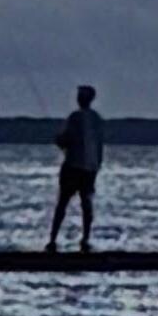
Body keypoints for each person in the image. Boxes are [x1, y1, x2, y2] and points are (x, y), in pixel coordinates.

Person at [47, 80, 103, 253]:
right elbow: (98, 145)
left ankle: (53, 240)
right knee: (86, 204)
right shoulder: (96, 119)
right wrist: (96, 168)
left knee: (62, 203)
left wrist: (58, 140)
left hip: (72, 166)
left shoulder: (75, 117)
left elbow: (67, 139)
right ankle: (85, 240)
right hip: (90, 168)